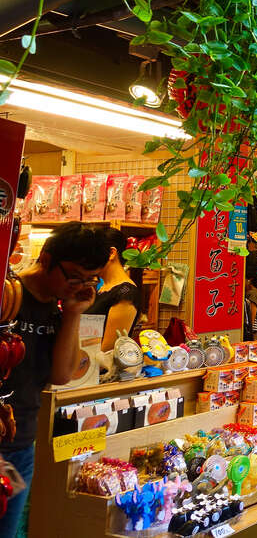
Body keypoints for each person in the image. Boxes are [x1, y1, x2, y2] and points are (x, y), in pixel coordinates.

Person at [0, 222, 109, 538]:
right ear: (46, 258)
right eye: (74, 276)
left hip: (20, 446)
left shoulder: (59, 309)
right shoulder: (9, 295)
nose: (79, 285)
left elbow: (61, 375)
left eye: (90, 279)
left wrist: (74, 313)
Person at [86, 227, 141, 351]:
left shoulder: (125, 293)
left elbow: (108, 351)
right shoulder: (102, 287)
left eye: (92, 253)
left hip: (99, 368)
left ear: (111, 253)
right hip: (85, 365)